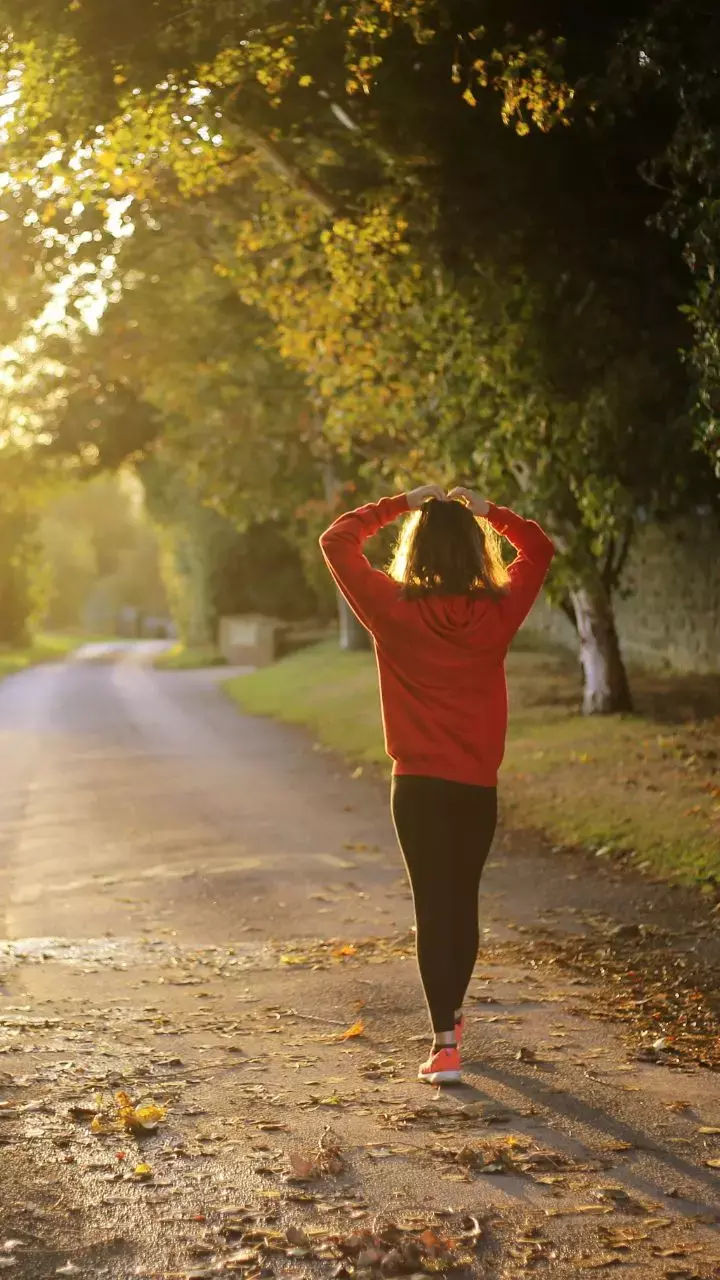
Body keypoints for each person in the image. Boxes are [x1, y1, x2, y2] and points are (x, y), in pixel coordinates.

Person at [319, 484, 555, 1084]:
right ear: (477, 552)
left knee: (432, 904)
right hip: (475, 785)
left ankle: (444, 1042)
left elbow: (336, 540)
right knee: (462, 901)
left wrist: (400, 503)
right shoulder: (498, 611)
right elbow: (539, 547)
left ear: (416, 550)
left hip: (418, 787)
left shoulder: (392, 608)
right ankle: (450, 1014)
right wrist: (489, 512)